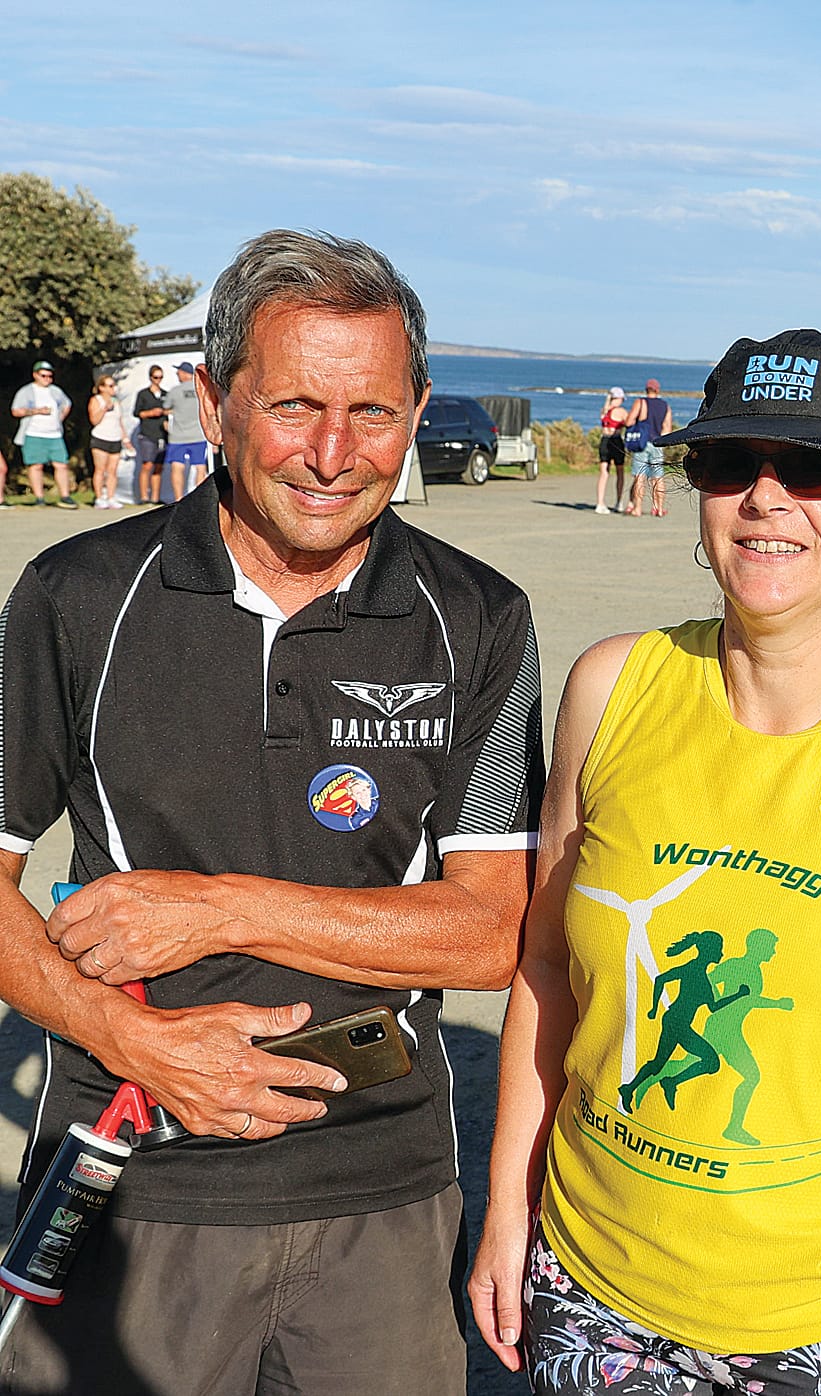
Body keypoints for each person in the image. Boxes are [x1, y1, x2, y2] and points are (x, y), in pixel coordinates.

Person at [0, 228, 546, 1395]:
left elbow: (491, 933)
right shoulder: (78, 594)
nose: (335, 453)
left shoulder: (480, 615)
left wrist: (217, 909)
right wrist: (136, 1040)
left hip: (383, 1200)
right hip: (136, 1175)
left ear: (419, 409)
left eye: (376, 411)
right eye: (295, 405)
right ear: (213, 401)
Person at [468, 328, 821, 1396]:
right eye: (730, 466)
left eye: (813, 469)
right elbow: (546, 965)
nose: (765, 498)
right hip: (590, 1290)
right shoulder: (611, 686)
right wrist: (508, 1205)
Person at [10, 360, 77, 508]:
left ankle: (65, 496)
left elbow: (67, 404)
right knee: (36, 466)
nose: (47, 379)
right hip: (33, 433)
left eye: (50, 376)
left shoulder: (55, 391)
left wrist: (59, 419)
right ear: (35, 375)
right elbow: (16, 411)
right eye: (43, 375)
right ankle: (39, 498)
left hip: (54, 435)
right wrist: (37, 411)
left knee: (61, 464)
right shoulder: (26, 391)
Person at [623, 377, 674, 516]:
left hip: (642, 443)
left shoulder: (641, 402)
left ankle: (637, 508)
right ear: (657, 390)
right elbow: (667, 428)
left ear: (646, 389)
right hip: (657, 443)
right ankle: (658, 508)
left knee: (640, 476)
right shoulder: (665, 406)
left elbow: (629, 421)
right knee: (658, 477)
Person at [162, 359, 208, 501]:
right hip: (198, 435)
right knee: (200, 467)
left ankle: (178, 499)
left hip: (178, 437)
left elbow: (165, 408)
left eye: (179, 371)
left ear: (184, 373)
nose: (177, 373)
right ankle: (200, 500)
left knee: (177, 466)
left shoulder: (175, 391)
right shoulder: (201, 390)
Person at [85, 371, 126, 509]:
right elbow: (94, 420)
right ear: (101, 387)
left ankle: (111, 497)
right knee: (100, 469)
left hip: (115, 438)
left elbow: (120, 421)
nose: (112, 388)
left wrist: (125, 437)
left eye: (113, 386)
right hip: (100, 438)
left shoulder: (117, 402)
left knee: (113, 470)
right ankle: (99, 498)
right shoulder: (96, 400)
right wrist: (104, 409)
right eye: (109, 386)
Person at [132, 363, 169, 504]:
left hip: (162, 435)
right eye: (155, 377)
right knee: (147, 464)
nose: (158, 380)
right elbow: (136, 413)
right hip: (147, 434)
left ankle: (155, 497)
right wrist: (151, 413)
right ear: (150, 377)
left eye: (160, 377)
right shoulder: (143, 394)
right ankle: (143, 497)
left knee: (159, 466)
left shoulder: (166, 394)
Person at [595, 386, 629, 514]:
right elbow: (630, 423)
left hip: (604, 440)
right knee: (620, 472)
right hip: (615, 441)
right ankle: (619, 501)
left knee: (604, 473)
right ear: (618, 398)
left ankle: (600, 502)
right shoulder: (621, 411)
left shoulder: (604, 410)